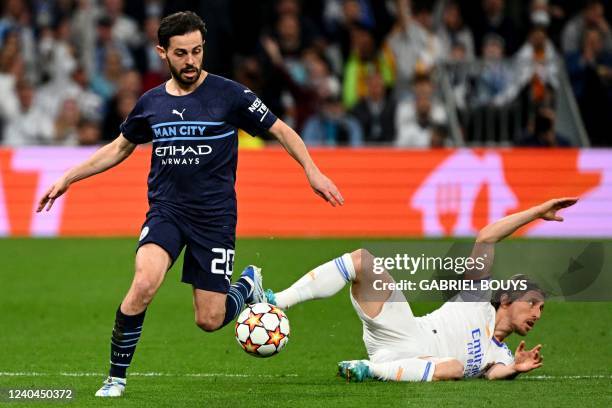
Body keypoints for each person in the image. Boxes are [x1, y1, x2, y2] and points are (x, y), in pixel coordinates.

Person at [35, 11, 343, 397]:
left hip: (214, 220)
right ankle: (115, 378)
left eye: (197, 51)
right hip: (167, 212)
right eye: (181, 53)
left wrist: (312, 171)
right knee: (144, 283)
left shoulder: (230, 95)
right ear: (162, 52)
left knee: (210, 320)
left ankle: (246, 285)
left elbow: (281, 129)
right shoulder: (151, 104)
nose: (191, 61)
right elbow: (119, 148)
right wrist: (67, 177)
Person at [264, 197, 578, 381]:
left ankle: (369, 371)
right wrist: (536, 213)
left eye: (541, 309)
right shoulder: (477, 297)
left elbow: (494, 373)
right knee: (364, 261)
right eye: (533, 303)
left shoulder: (501, 354)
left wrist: (516, 368)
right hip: (404, 332)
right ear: (507, 298)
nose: (537, 314)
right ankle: (278, 300)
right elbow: (486, 238)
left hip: (416, 363)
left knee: (453, 367)